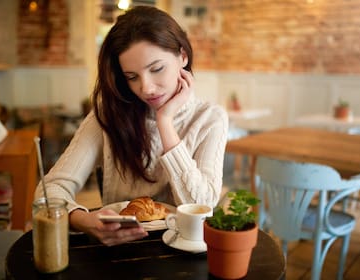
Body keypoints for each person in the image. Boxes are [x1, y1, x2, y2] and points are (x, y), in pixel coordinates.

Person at [34, 6, 228, 246]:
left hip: (184, 255)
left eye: (156, 69)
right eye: (131, 77)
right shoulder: (109, 114)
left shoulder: (210, 118)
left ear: (183, 57)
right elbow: (48, 191)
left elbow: (203, 207)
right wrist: (81, 220)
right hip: (119, 250)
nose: (145, 88)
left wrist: (164, 123)